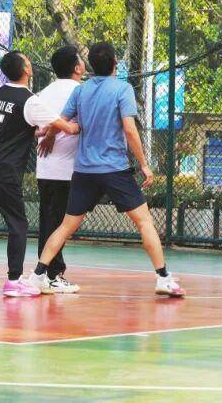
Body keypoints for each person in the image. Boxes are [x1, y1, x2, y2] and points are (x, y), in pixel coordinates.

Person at [28, 42, 185, 297]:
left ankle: (37, 275)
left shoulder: (81, 90)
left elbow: (61, 120)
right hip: (114, 170)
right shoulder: (123, 89)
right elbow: (130, 129)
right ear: (115, 64)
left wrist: (47, 134)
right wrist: (144, 165)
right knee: (144, 221)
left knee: (65, 227)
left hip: (84, 171)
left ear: (90, 65)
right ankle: (163, 278)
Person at [0, 51, 79, 297]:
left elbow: (11, 128)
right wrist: (81, 125)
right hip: (4, 171)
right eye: (28, 62)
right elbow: (67, 128)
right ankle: (14, 280)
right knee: (18, 224)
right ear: (26, 69)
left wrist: (37, 133)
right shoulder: (29, 100)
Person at [32, 45, 85, 294]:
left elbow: (36, 128)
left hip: (45, 168)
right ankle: (52, 274)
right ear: (77, 67)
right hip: (67, 169)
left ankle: (45, 272)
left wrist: (47, 134)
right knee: (59, 224)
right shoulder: (80, 92)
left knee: (48, 222)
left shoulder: (43, 92)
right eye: (81, 60)